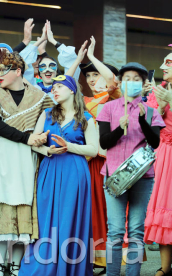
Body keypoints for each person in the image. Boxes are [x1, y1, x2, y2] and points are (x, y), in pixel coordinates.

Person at [0, 51, 53, 276]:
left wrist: (41, 139)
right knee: (0, 210)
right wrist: (26, 137)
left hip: (27, 157)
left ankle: (16, 266)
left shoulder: (39, 95)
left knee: (24, 210)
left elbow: (53, 119)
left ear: (18, 71)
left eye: (3, 70)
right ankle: (0, 267)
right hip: (1, 153)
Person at [20, 75, 97, 275]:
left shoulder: (86, 118)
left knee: (69, 218)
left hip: (75, 172)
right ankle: (43, 266)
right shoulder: (46, 114)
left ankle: (69, 266)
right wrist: (46, 150)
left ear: (72, 90)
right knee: (45, 218)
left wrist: (69, 146)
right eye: (53, 87)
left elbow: (93, 150)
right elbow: (33, 143)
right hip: (50, 168)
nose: (55, 90)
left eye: (60, 87)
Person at [96, 62, 165, 276]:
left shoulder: (151, 111)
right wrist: (120, 128)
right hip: (114, 175)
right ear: (120, 82)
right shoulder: (108, 108)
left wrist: (143, 121)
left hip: (142, 177)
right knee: (115, 231)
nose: (132, 82)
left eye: (137, 79)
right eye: (127, 78)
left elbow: (155, 143)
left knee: (136, 230)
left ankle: (133, 273)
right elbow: (104, 143)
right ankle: (113, 273)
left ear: (143, 83)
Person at [67, 36, 121, 271]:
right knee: (91, 211)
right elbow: (65, 82)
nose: (91, 79)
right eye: (87, 76)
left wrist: (90, 57)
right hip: (88, 162)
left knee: (113, 213)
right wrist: (79, 59)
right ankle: (93, 259)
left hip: (111, 161)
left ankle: (114, 260)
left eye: (94, 74)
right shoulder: (83, 101)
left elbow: (112, 81)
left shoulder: (115, 96)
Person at [144, 44, 172, 276]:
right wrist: (159, 106)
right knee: (163, 208)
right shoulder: (158, 91)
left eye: (170, 63)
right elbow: (151, 129)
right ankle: (165, 268)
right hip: (162, 154)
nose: (164, 67)